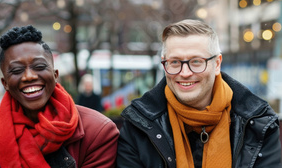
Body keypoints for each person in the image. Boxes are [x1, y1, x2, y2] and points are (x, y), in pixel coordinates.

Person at [116, 19, 281, 167]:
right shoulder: (137, 125)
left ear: (217, 64)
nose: (185, 72)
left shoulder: (259, 123)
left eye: (196, 61)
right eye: (175, 62)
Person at [0, 25, 119, 167]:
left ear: (55, 75)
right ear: (5, 83)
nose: (29, 76)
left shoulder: (99, 131)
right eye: (16, 70)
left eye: (39, 67)